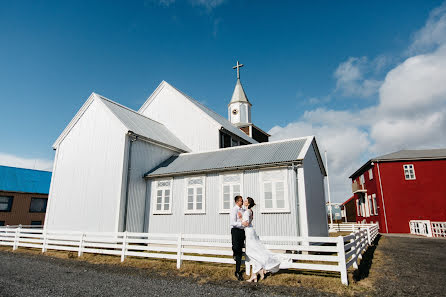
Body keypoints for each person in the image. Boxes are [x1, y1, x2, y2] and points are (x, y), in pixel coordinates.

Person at [243, 197, 282, 282]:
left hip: (249, 232)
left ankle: (257, 272)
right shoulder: (251, 211)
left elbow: (246, 223)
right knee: (254, 253)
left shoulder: (246, 212)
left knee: (251, 253)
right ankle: (257, 274)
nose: (244, 202)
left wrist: (239, 221)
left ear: (248, 203)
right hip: (251, 231)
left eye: (245, 201)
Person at [230, 195, 249, 281]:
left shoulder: (243, 210)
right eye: (241, 201)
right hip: (235, 230)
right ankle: (234, 250)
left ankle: (237, 271)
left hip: (242, 231)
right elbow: (233, 222)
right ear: (237, 201)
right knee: (236, 248)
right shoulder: (234, 210)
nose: (242, 202)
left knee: (240, 251)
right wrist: (242, 224)